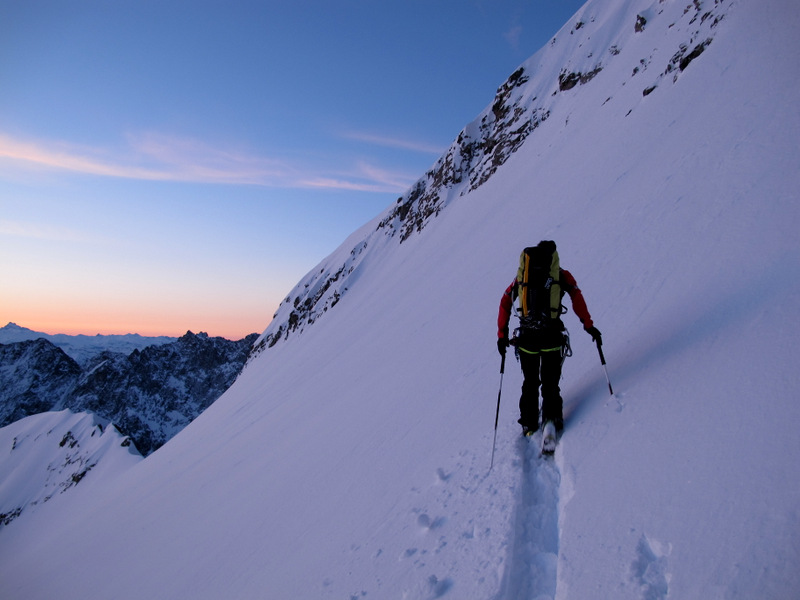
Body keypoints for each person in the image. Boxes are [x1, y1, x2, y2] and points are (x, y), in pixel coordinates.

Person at [496, 240, 601, 436]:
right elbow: (577, 298)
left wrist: (502, 335)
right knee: (550, 382)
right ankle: (551, 421)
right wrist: (589, 326)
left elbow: (505, 302)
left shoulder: (522, 277)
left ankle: (529, 424)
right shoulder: (561, 275)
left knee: (530, 382)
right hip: (552, 337)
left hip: (527, 339)